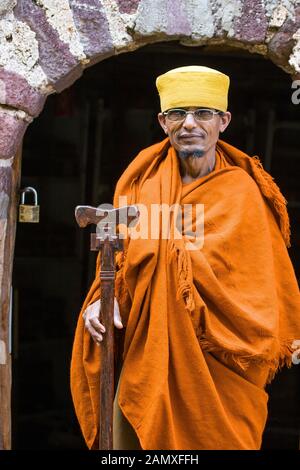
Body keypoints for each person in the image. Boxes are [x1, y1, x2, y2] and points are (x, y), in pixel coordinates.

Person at [71, 65, 300, 450]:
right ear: (163, 122)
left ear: (223, 121)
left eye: (203, 113)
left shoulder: (242, 191)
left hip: (220, 368)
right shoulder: (142, 181)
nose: (189, 124)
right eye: (178, 114)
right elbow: (121, 259)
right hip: (150, 351)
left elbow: (266, 277)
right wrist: (98, 303)